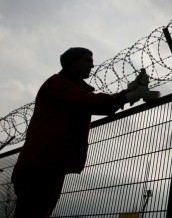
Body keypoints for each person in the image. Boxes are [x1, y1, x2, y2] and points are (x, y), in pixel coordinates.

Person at [11, 47, 156, 218]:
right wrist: (126, 97)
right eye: (87, 60)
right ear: (73, 62)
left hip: (49, 165)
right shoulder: (57, 84)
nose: (92, 65)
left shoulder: (70, 87)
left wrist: (127, 92)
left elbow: (88, 100)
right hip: (39, 165)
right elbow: (88, 101)